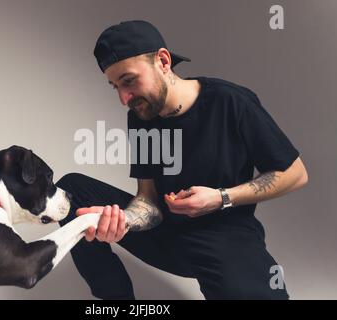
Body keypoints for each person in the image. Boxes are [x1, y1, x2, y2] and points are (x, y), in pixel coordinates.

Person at [57, 20, 308, 299]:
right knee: (71, 190)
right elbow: (148, 198)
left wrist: (221, 197)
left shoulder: (230, 101)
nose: (124, 97)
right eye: (114, 86)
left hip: (225, 238)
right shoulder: (140, 116)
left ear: (163, 61)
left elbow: (295, 173)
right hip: (167, 234)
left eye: (129, 81)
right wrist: (124, 221)